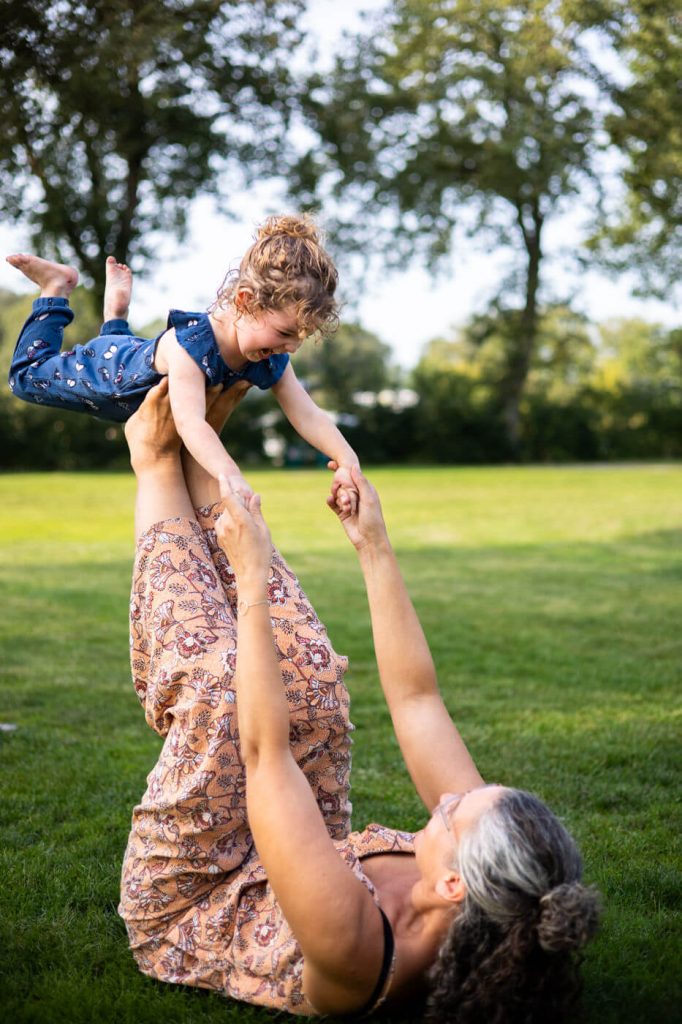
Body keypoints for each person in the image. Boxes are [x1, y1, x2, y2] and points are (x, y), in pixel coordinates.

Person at [119, 382, 600, 1021]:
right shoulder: (484, 874)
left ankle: (155, 459)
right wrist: (372, 542)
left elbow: (267, 757)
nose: (448, 796)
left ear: (452, 884)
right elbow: (418, 700)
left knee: (220, 692)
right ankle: (204, 453)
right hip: (297, 840)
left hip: (197, 897)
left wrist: (255, 582)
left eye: (450, 812)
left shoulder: (354, 951)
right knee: (312, 680)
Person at [6, 214, 358, 501]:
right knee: (26, 377)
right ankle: (55, 287)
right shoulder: (191, 345)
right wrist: (230, 476)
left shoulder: (270, 356)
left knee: (127, 349)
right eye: (285, 333)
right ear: (245, 301)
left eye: (302, 337)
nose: (293, 347)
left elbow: (308, 414)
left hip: (135, 365)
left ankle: (116, 316)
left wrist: (346, 460)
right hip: (110, 373)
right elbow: (191, 423)